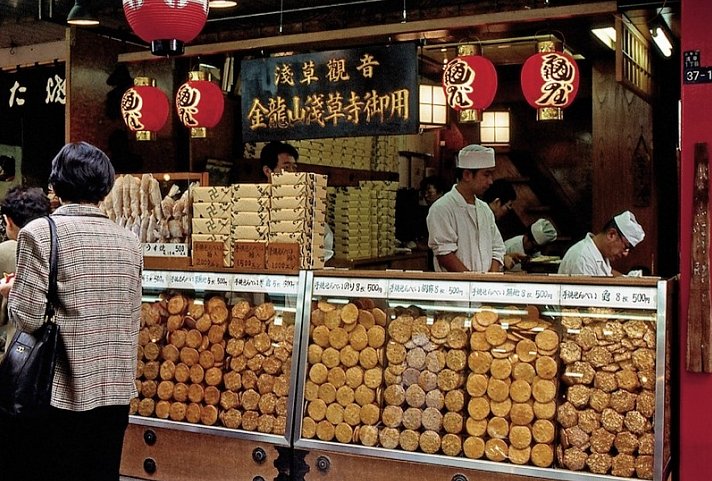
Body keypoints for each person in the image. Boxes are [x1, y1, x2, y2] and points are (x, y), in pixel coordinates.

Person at [0, 142, 143, 481]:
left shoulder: (40, 233)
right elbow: (133, 314)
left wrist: (12, 292)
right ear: (105, 187)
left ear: (57, 184)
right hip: (114, 392)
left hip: (57, 393)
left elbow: (28, 317)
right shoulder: (129, 240)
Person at [427, 144, 505, 272]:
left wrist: (490, 280)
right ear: (467, 175)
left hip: (485, 287)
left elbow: (497, 248)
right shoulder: (441, 209)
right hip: (456, 288)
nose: (491, 181)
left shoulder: (485, 209)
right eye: (486, 175)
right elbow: (444, 254)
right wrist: (472, 282)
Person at [259, 141, 334, 262]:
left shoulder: (305, 204)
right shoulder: (253, 202)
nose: (293, 173)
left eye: (294, 167)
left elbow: (324, 240)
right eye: (286, 167)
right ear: (268, 171)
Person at [0, 186, 51, 358]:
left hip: (22, 355)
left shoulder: (6, 251)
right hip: (58, 354)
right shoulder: (58, 248)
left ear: (9, 221)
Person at [558, 210, 645, 276]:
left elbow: (609, 273)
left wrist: (628, 279)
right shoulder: (583, 258)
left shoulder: (601, 253)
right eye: (626, 247)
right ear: (612, 235)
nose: (625, 254)